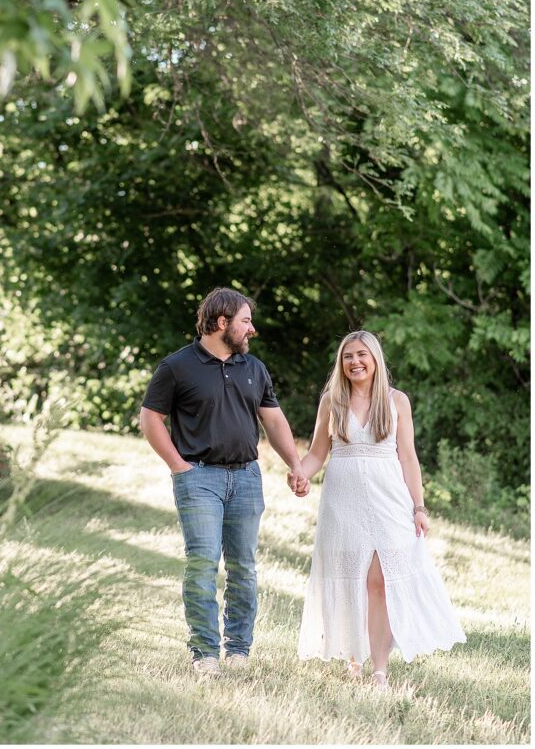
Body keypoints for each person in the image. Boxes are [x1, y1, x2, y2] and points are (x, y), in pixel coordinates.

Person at [140, 287, 309, 678]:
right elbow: (150, 419)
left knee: (244, 567)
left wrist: (296, 464)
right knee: (202, 565)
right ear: (221, 323)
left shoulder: (254, 368)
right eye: (246, 321)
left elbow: (274, 420)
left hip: (247, 478)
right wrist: (179, 466)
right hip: (199, 478)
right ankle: (205, 653)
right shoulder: (177, 366)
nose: (252, 329)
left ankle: (238, 650)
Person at [293, 330, 466, 687]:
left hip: (389, 501)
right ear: (341, 363)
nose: (355, 361)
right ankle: (353, 658)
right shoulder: (331, 401)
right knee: (351, 579)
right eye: (347, 356)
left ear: (375, 360)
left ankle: (379, 669)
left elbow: (408, 457)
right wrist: (299, 474)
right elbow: (316, 455)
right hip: (343, 502)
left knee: (380, 582)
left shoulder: (396, 401)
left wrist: (419, 506)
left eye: (361, 355)